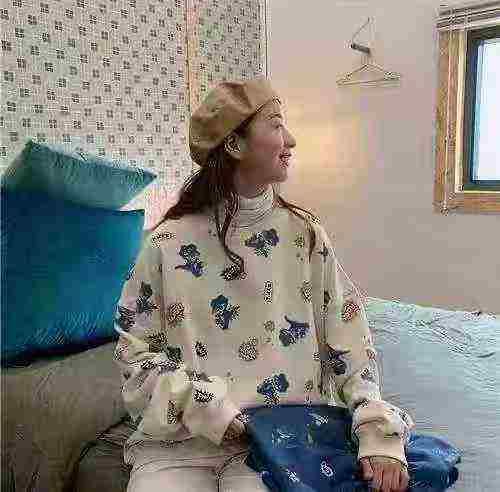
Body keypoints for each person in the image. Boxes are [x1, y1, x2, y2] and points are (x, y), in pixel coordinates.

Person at [113, 77, 415, 492]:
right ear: (234, 145)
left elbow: (349, 339)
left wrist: (377, 432)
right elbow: (133, 355)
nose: (290, 139)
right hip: (179, 443)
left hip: (282, 438)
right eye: (275, 124)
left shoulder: (305, 234)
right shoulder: (166, 243)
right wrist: (208, 409)